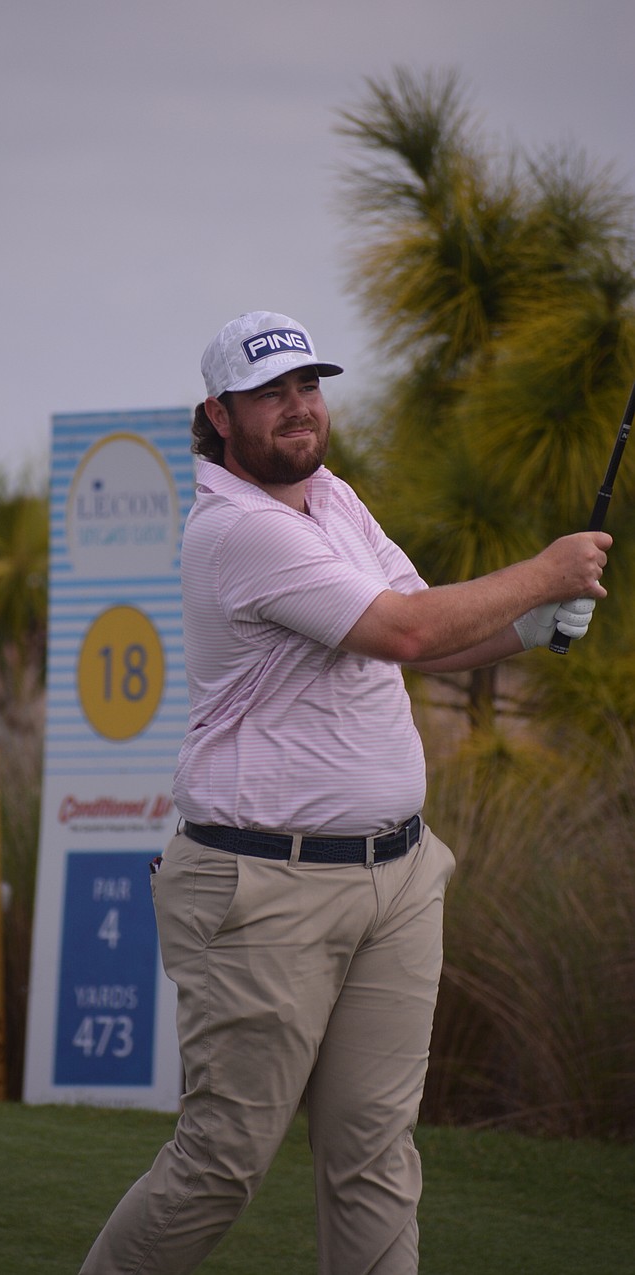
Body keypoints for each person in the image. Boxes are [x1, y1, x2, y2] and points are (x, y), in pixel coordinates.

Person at [79, 311, 610, 1274]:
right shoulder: (235, 530)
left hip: (397, 877)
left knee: (372, 1156)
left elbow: (430, 630)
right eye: (270, 393)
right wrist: (545, 570)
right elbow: (405, 630)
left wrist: (531, 629)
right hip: (258, 890)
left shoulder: (332, 499)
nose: (298, 409)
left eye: (308, 387)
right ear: (219, 415)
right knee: (221, 1163)